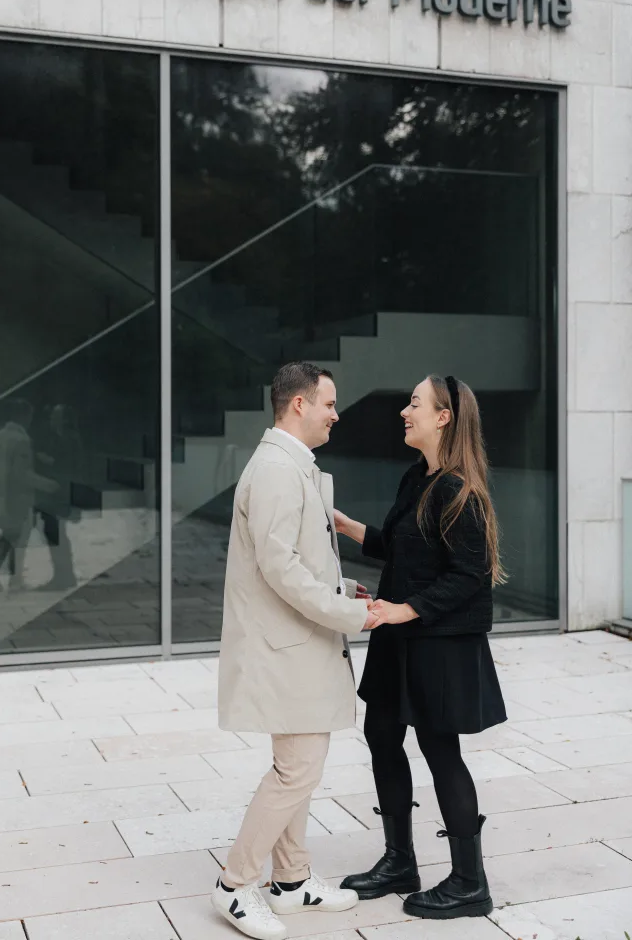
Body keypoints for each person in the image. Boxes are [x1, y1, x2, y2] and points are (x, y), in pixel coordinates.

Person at [213, 362, 378, 940]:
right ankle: (236, 885)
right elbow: (280, 568)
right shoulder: (278, 471)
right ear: (299, 406)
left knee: (299, 769)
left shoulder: (292, 467)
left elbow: (300, 559)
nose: (337, 413)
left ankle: (290, 881)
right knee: (297, 769)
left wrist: (343, 589)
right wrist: (352, 613)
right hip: (285, 647)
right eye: (329, 403)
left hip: (299, 643)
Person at [336, 374, 506, 921]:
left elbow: (470, 575)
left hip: (437, 642)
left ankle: (468, 882)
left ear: (443, 417)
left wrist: (406, 608)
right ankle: (399, 862)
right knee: (381, 733)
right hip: (398, 636)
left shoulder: (459, 489)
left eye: (414, 403)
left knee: (440, 751)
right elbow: (397, 544)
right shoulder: (419, 479)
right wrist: (341, 525)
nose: (404, 412)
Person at [0, 398, 57, 592]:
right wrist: (48, 485)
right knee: (14, 538)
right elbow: (22, 474)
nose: (31, 420)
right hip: (17, 498)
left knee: (9, 537)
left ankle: (4, 578)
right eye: (30, 415)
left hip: (1, 495)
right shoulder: (21, 440)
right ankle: (7, 579)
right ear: (23, 416)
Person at [34, 404, 82, 591]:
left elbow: (73, 464)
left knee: (55, 531)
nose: (52, 418)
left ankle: (63, 576)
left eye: (56, 415)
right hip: (53, 490)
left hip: (61, 491)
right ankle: (63, 574)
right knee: (54, 530)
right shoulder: (55, 437)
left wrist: (50, 460)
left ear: (64, 418)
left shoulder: (70, 438)